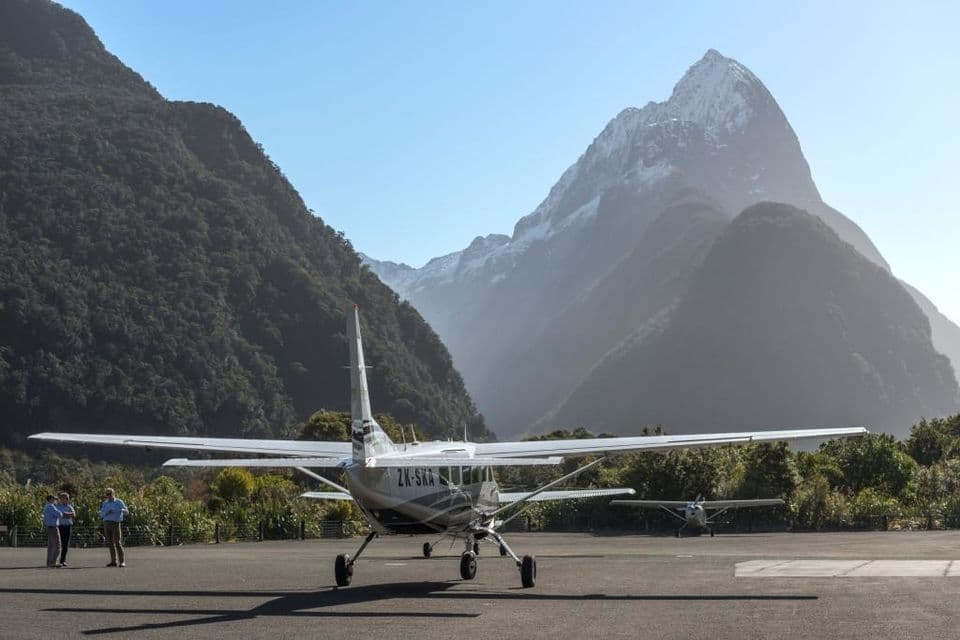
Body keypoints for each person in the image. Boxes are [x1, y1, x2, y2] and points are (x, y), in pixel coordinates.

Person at [99, 487, 129, 567]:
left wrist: (122, 510)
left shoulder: (119, 502)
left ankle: (122, 561)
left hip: (115, 523)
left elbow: (126, 512)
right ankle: (113, 561)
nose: (108, 496)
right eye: (107, 494)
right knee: (110, 543)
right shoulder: (105, 503)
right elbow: (101, 514)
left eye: (110, 494)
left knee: (117, 542)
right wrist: (107, 512)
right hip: (106, 523)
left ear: (113, 494)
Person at [57, 492, 76, 567]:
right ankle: (56, 560)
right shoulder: (57, 506)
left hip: (67, 527)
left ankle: (63, 560)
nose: (64, 500)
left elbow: (73, 514)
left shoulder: (70, 506)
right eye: (62, 498)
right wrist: (67, 514)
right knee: (58, 544)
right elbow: (60, 515)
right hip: (60, 527)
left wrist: (65, 514)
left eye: (66, 498)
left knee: (65, 545)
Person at [42, 495, 61, 568]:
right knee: (57, 545)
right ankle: (53, 562)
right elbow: (59, 514)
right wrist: (60, 512)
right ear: (50, 499)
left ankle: (49, 562)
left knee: (51, 546)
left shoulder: (46, 506)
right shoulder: (51, 506)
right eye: (54, 499)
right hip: (53, 527)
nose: (55, 501)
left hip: (49, 527)